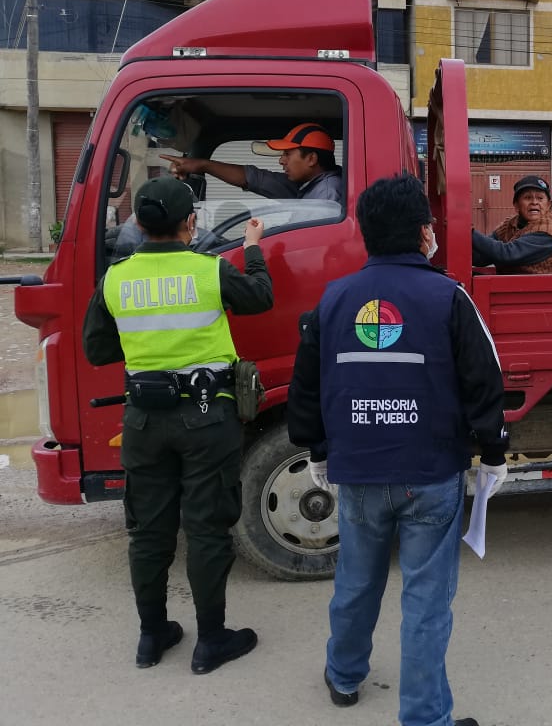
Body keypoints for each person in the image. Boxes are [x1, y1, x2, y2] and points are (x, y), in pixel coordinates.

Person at [287, 174, 506, 726]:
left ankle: (343, 676)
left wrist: (315, 448)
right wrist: (495, 452)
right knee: (427, 602)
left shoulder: (333, 298)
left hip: (357, 471)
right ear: (425, 233)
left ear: (363, 232)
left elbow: (306, 385)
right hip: (431, 473)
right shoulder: (449, 295)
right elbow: (484, 380)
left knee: (357, 580)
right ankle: (425, 718)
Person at [81, 175, 274, 672]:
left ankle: (152, 637)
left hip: (144, 420)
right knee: (207, 529)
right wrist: (252, 248)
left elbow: (97, 349)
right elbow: (259, 296)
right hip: (207, 419)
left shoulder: (115, 278)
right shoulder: (209, 270)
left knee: (147, 532)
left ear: (140, 225)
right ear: (191, 222)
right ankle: (211, 640)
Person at [161, 122, 343, 202]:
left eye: (287, 154)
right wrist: (202, 165)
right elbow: (254, 178)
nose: (281, 160)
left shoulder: (327, 195)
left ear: (311, 159)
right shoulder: (307, 186)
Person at [471, 174, 552, 274]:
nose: (534, 202)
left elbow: (508, 254)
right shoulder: (509, 225)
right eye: (527, 197)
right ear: (516, 205)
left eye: (540, 198)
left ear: (548, 205)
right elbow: (482, 258)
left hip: (544, 288)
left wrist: (469, 232)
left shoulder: (549, 230)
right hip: (514, 286)